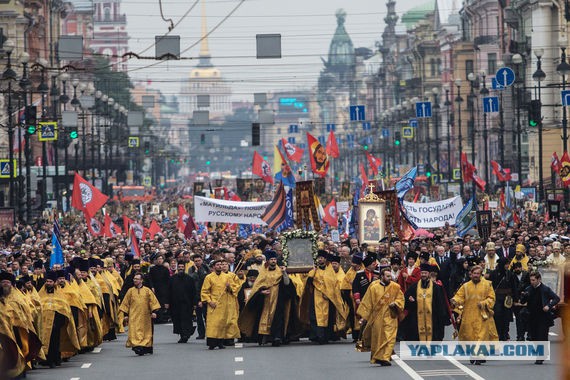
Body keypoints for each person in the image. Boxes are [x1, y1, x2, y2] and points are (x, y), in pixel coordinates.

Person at [238, 251, 300, 346]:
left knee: (278, 318)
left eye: (275, 259)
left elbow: (287, 284)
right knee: (263, 318)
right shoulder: (263, 273)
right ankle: (264, 337)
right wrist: (261, 292)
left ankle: (277, 337)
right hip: (265, 300)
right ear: (268, 261)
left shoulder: (281, 271)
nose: (273, 261)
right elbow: (257, 286)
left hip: (278, 299)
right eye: (271, 259)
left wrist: (284, 273)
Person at [356, 267, 404, 366]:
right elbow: (367, 303)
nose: (389, 278)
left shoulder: (395, 287)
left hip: (390, 316)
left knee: (389, 337)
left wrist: (395, 303)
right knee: (377, 338)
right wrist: (364, 318)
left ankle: (385, 357)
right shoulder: (374, 287)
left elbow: (401, 299)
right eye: (387, 276)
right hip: (377, 317)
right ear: (382, 276)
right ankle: (377, 357)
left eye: (390, 276)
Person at [451, 265, 498, 365]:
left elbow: (492, 298)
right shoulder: (466, 286)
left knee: (481, 336)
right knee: (469, 336)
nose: (476, 275)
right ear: (471, 274)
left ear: (481, 274)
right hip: (468, 315)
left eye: (478, 274)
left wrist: (484, 303)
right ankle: (473, 354)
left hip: (482, 315)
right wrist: (455, 301)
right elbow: (460, 297)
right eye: (474, 274)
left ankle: (480, 356)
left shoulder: (487, 285)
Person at [300, 250, 348, 344]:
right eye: (319, 258)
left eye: (322, 258)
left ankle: (327, 336)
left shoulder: (330, 271)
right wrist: (312, 273)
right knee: (315, 317)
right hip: (316, 297)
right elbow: (308, 283)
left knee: (328, 317)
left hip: (328, 298)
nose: (320, 260)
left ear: (325, 259)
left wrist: (328, 294)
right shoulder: (314, 271)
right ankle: (317, 336)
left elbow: (333, 284)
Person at [38, 270, 80, 368]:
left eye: (50, 282)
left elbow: (64, 309)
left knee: (54, 342)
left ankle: (55, 359)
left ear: (54, 283)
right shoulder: (41, 294)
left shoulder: (59, 294)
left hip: (55, 323)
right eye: (47, 281)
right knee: (43, 341)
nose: (48, 283)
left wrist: (58, 322)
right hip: (43, 324)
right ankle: (45, 360)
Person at [520, 271, 560, 364]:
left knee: (542, 336)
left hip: (543, 317)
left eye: (533, 280)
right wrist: (524, 296)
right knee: (533, 337)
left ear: (539, 279)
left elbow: (556, 298)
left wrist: (548, 306)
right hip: (532, 316)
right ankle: (541, 354)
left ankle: (540, 357)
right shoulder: (528, 289)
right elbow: (522, 302)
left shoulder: (545, 289)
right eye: (531, 280)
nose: (532, 282)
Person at [402, 264, 450, 341]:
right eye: (422, 273)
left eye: (425, 273)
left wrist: (442, 317)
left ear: (429, 274)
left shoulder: (436, 287)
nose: (423, 275)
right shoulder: (414, 286)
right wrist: (411, 301)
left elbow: (440, 304)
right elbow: (406, 299)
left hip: (432, 318)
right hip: (417, 318)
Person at [200, 259, 241, 350]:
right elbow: (205, 291)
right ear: (213, 267)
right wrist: (209, 301)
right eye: (217, 265)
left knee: (222, 323)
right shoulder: (209, 277)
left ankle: (220, 342)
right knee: (213, 323)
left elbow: (234, 289)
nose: (220, 266)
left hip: (224, 303)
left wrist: (229, 287)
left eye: (221, 265)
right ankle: (212, 343)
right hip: (213, 303)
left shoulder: (227, 277)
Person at [119, 272, 161, 356]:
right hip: (133, 316)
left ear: (142, 280)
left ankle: (145, 347)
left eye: (137, 279)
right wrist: (126, 315)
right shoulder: (130, 291)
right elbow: (125, 303)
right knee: (134, 332)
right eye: (134, 279)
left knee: (145, 332)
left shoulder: (147, 290)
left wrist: (154, 312)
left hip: (145, 316)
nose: (135, 280)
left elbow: (153, 302)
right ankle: (137, 346)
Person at [167, 261, 197, 343]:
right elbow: (168, 291)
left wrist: (194, 303)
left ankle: (186, 334)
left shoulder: (189, 279)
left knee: (186, 320)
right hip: (175, 303)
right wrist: (167, 303)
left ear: (184, 268)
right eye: (179, 267)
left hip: (187, 303)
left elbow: (193, 292)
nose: (180, 268)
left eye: (182, 267)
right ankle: (182, 334)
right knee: (177, 320)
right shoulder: (172, 279)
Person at [489, 257, 516, 341]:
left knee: (506, 317)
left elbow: (513, 286)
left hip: (507, 298)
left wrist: (515, 298)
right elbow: (490, 286)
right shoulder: (493, 274)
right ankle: (497, 334)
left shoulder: (510, 274)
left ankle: (505, 333)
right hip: (497, 298)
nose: (507, 266)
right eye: (506, 264)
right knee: (497, 316)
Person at [188, 253, 210, 340]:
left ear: (202, 260)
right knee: (199, 316)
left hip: (205, 294)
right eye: (196, 261)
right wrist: (196, 272)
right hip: (196, 295)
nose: (197, 262)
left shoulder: (206, 267)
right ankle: (201, 333)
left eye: (199, 261)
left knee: (207, 315)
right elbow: (190, 279)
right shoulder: (191, 269)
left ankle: (209, 332)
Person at [148, 254, 171, 323]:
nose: (160, 260)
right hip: (155, 288)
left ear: (163, 260)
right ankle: (156, 318)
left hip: (163, 288)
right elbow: (150, 279)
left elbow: (168, 280)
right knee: (155, 303)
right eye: (158, 259)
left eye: (161, 259)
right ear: (156, 260)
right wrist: (152, 287)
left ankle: (161, 318)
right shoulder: (152, 269)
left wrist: (167, 289)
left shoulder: (165, 269)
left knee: (162, 304)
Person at [511, 262, 530, 341]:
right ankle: (520, 336)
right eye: (516, 267)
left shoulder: (526, 275)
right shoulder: (511, 276)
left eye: (519, 267)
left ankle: (529, 334)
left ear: (521, 267)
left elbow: (529, 285)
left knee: (527, 319)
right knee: (518, 320)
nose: (517, 269)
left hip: (525, 301)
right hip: (516, 301)